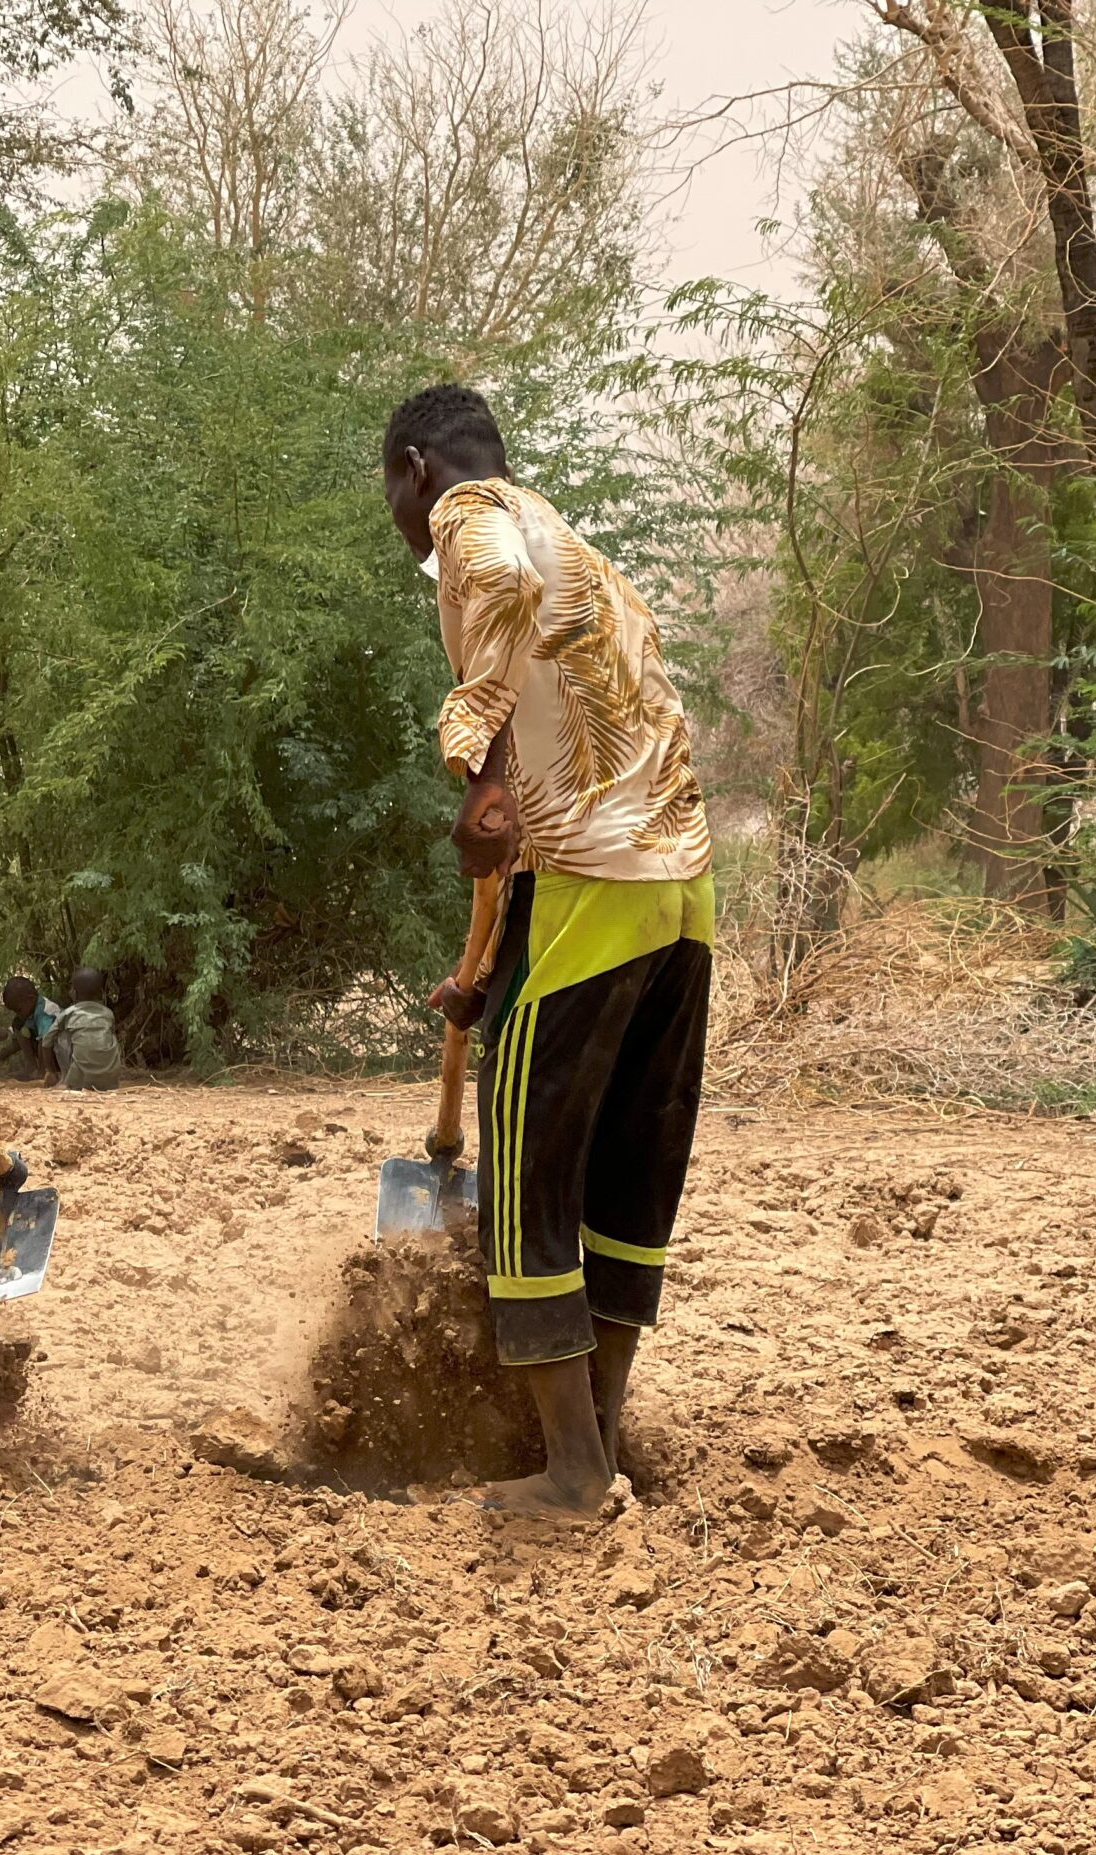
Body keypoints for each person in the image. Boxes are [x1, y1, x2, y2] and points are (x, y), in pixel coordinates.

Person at [382, 385, 714, 1520]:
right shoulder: (589, 557)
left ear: (415, 468)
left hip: (590, 889)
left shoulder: (472, 522)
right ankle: (606, 1444)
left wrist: (471, 758)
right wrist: (480, 974)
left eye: (393, 490)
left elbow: (499, 600)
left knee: (529, 1167)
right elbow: (566, 768)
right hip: (679, 897)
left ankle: (571, 1473)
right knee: (629, 1166)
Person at [50, 967, 123, 1091]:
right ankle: (108, 1078)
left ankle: (65, 1079)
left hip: (80, 1081)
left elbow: (47, 1041)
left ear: (74, 992)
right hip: (110, 1082)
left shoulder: (68, 1013)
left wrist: (49, 1071)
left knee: (60, 1036)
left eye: (71, 987)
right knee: (108, 1036)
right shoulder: (108, 1013)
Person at [0, 975, 58, 1080]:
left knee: (43, 1040)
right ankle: (32, 1068)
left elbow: (45, 1041)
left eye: (19, 1010)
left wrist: (44, 1069)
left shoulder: (44, 1012)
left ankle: (43, 1072)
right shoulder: (29, 1013)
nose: (18, 1014)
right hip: (45, 1047)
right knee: (18, 1024)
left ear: (31, 998)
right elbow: (16, 1044)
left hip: (57, 1049)